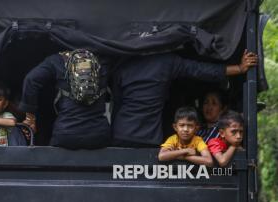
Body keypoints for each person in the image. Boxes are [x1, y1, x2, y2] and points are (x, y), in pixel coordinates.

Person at [111, 50, 257, 147]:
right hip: (148, 137)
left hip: (120, 133)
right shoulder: (166, 61)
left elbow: (117, 103)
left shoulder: (122, 63)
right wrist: (239, 68)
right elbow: (200, 70)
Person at [19, 49, 110, 149]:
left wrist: (30, 118)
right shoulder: (103, 60)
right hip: (99, 134)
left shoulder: (57, 60)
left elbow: (31, 80)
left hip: (66, 132)